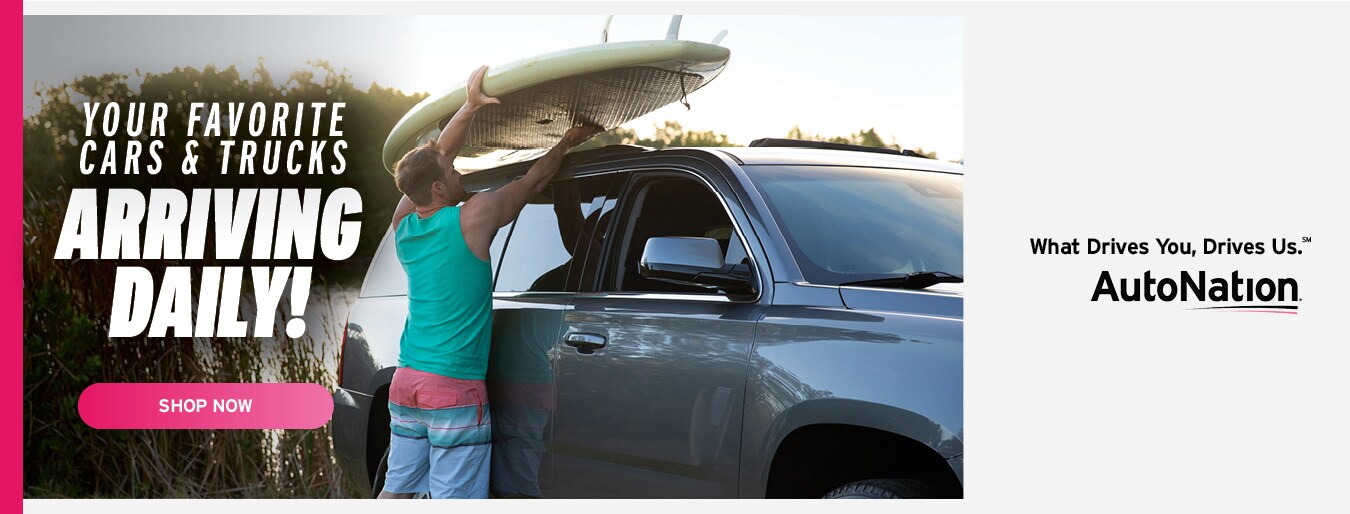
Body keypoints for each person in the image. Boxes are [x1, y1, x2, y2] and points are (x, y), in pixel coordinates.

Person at [380, 65, 602, 499]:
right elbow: (534, 179)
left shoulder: (403, 225)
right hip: (454, 388)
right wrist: (568, 141)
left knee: (397, 492)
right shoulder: (473, 216)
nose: (461, 172)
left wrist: (469, 106)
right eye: (454, 171)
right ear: (440, 189)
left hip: (407, 382)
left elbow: (433, 161)